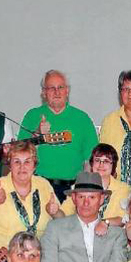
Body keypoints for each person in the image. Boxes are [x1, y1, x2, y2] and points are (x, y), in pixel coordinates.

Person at [40, 171, 127, 262]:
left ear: (102, 199)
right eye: (81, 197)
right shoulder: (55, 227)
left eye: (92, 197)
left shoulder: (116, 234)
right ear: (73, 198)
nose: (86, 203)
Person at [19, 70, 98, 201]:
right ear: (44, 93)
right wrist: (38, 134)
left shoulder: (82, 119)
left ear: (67, 91)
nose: (57, 92)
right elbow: (20, 155)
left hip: (72, 191)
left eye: (60, 87)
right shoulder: (31, 116)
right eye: (51, 88)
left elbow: (91, 161)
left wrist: (83, 191)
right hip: (38, 188)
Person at [59, 144, 131, 228]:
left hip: (110, 235)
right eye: (97, 160)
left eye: (106, 161)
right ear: (92, 163)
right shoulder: (78, 186)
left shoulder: (123, 189)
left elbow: (123, 219)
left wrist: (104, 223)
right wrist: (55, 212)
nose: (101, 165)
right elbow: (64, 214)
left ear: (113, 165)